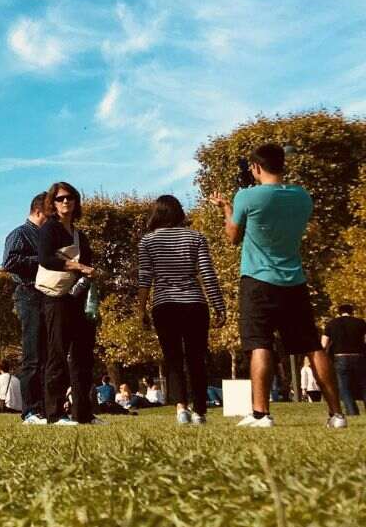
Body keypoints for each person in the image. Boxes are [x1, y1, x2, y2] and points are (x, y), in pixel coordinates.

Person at [209, 143, 346, 428]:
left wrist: (226, 209)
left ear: (256, 168)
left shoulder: (247, 196)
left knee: (259, 342)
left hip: (258, 280)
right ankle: (336, 414)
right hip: (294, 279)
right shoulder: (302, 197)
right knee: (312, 345)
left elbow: (233, 237)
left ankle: (261, 413)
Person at [136, 194, 225, 425]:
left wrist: (141, 309)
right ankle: (200, 410)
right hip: (195, 303)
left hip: (164, 305)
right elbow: (207, 273)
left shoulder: (148, 241)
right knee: (196, 358)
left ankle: (181, 407)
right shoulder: (196, 237)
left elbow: (145, 278)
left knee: (173, 358)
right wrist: (218, 305)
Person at [36, 181, 102, 426]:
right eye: (61, 198)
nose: (66, 202)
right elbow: (45, 259)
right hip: (56, 298)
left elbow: (87, 260)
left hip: (76, 296)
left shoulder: (78, 233)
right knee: (58, 354)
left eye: (70, 198)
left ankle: (83, 413)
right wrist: (76, 266)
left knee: (83, 355)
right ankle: (54, 414)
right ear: (52, 203)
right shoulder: (49, 229)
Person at [3, 191, 50, 424]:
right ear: (38, 211)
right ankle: (30, 410)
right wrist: (42, 259)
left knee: (47, 354)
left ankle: (44, 407)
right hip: (29, 293)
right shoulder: (20, 234)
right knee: (32, 354)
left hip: (47, 294)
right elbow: (9, 263)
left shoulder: (45, 235)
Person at [322, 303, 366, 415]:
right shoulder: (360, 323)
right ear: (352, 312)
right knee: (363, 384)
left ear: (339, 312)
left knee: (344, 386)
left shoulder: (331, 324)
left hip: (340, 357)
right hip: (359, 356)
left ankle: (352, 411)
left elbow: (323, 344)